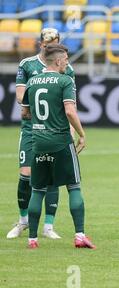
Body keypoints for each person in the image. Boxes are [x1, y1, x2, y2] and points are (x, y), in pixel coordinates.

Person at [21, 43, 95, 249]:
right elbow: (70, 111)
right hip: (61, 141)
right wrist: (81, 134)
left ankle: (32, 240)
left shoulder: (32, 81)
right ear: (59, 60)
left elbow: (24, 113)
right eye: (67, 60)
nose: (68, 64)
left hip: (38, 142)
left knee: (37, 190)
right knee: (74, 186)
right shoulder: (65, 81)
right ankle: (80, 236)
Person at [8, 28, 76, 240]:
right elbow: (20, 97)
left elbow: (71, 104)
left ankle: (48, 225)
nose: (49, 46)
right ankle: (23, 221)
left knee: (52, 177)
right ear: (40, 44)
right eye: (46, 43)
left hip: (56, 128)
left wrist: (72, 131)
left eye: (54, 42)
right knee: (26, 174)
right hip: (32, 129)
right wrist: (40, 92)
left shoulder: (67, 68)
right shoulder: (27, 65)